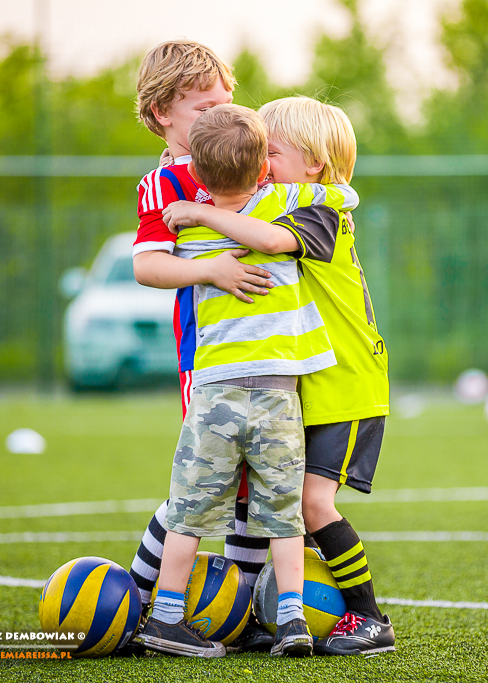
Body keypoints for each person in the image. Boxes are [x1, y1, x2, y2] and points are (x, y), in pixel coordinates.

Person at [128, 42, 357, 655]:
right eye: (204, 108)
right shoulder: (166, 183)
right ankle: (137, 598)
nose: (224, 114)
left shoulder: (250, 155)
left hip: (275, 360)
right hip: (211, 358)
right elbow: (148, 267)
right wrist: (211, 272)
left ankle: (243, 610)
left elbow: (301, 209)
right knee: (208, 484)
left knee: (260, 488)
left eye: (226, 102)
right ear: (161, 115)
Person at [158, 96, 395, 656]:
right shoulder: (279, 201)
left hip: (347, 386)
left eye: (272, 152)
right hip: (307, 386)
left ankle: (369, 616)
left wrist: (198, 212)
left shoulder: (321, 210)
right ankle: (263, 612)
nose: (261, 163)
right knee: (278, 496)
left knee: (312, 504)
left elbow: (264, 240)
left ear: (313, 162)